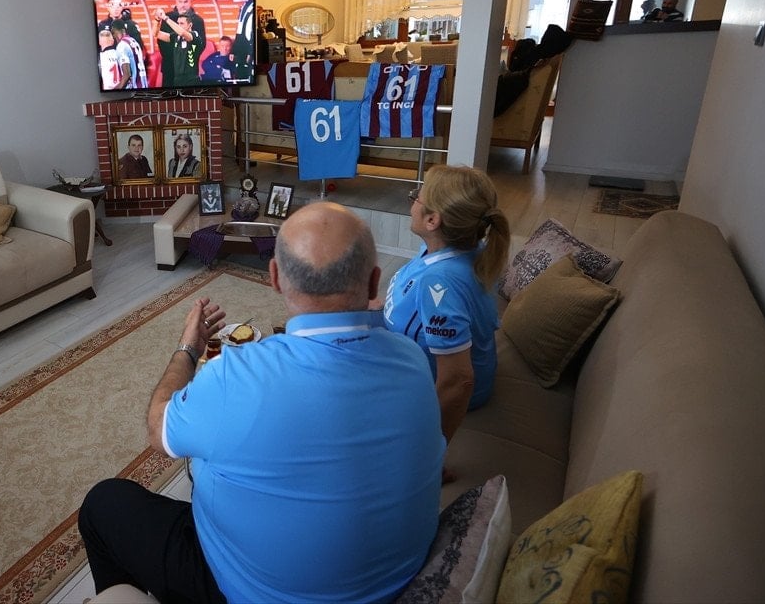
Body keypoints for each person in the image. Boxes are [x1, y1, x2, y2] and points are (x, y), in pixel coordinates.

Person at [78, 202, 445, 603]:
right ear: (374, 283)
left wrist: (188, 348)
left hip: (248, 592)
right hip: (388, 587)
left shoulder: (235, 377)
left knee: (103, 504)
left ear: (274, 277)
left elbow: (158, 428)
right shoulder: (413, 360)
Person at [372, 164, 511, 451]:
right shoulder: (458, 249)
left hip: (432, 387)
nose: (412, 201)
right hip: (414, 360)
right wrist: (382, 307)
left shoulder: (440, 282)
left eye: (417, 196)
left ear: (432, 220)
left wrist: (431, 453)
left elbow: (458, 381)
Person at [156, 0, 206, 87]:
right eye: (180, 2)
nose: (183, 5)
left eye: (185, 2)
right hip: (169, 65)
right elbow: (159, 37)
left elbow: (200, 43)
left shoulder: (197, 23)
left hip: (189, 73)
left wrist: (186, 55)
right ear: (176, 2)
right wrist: (157, 20)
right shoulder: (174, 34)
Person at [109, 23, 143, 89]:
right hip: (142, 86)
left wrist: (113, 92)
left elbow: (127, 75)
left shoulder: (121, 46)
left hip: (133, 88)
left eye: (113, 33)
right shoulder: (133, 41)